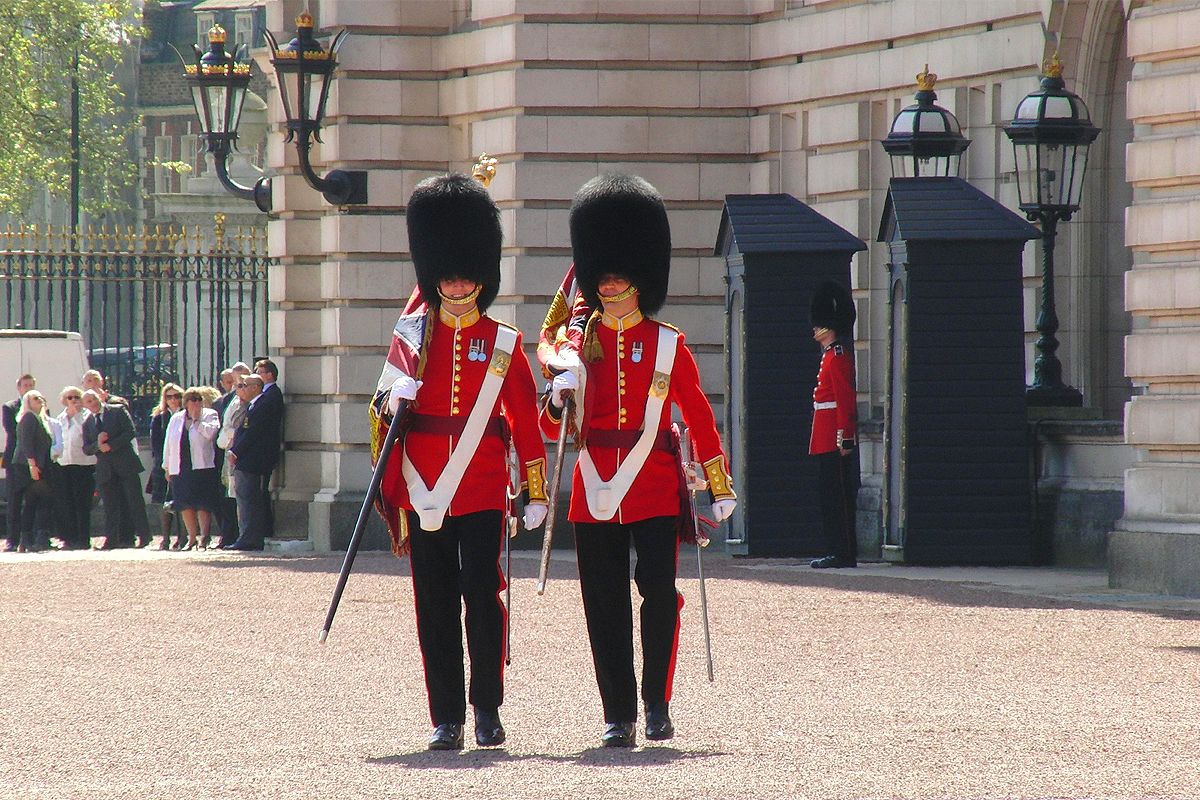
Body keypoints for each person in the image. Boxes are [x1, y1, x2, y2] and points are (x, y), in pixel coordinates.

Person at [540, 173, 737, 748]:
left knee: (656, 593)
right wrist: (558, 391)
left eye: (621, 271)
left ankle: (656, 702)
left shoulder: (666, 342)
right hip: (594, 481)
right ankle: (618, 712)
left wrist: (719, 483)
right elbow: (552, 426)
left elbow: (697, 415)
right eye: (603, 271)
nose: (611, 280)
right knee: (603, 604)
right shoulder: (575, 343)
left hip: (650, 483)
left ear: (640, 276)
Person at [370, 173, 548, 751]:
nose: (455, 281)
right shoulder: (413, 339)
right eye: (445, 271)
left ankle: (487, 708)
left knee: (481, 597)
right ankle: (445, 716)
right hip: (425, 487)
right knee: (435, 606)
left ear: (483, 274)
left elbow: (523, 420)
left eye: (465, 271)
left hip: (480, 487)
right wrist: (392, 398)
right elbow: (383, 406)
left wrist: (538, 490)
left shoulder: (502, 341)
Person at [807, 280, 860, 569]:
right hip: (824, 436)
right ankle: (835, 550)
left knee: (838, 498)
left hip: (834, 438)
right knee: (829, 498)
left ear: (830, 326)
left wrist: (845, 438)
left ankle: (844, 552)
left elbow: (845, 400)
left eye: (820, 323)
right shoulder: (829, 355)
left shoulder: (838, 356)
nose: (815, 328)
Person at [82, 389, 150, 549]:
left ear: (99, 397)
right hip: (106, 469)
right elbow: (86, 448)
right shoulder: (88, 423)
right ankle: (111, 540)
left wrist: (111, 445)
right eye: (88, 401)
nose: (92, 403)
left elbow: (130, 432)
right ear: (85, 405)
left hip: (125, 464)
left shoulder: (117, 410)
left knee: (135, 502)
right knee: (110, 506)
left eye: (93, 399)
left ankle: (144, 536)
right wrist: (98, 445)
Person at [163, 387, 222, 550]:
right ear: (186, 402)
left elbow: (211, 434)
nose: (196, 402)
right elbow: (168, 443)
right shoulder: (176, 418)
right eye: (192, 399)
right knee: (185, 504)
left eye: (198, 399)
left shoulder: (210, 415)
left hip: (202, 466)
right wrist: (166, 466)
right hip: (181, 466)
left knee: (203, 503)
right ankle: (191, 538)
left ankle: (204, 536)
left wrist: (198, 421)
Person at [224, 374, 277, 551]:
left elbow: (252, 433)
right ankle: (247, 536)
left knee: (248, 501)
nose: (242, 388)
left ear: (255, 387)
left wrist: (235, 452)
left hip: (251, 461)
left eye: (245, 385)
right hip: (248, 460)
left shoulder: (262, 405)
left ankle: (249, 538)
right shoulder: (254, 405)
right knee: (246, 500)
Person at [54, 386, 98, 550]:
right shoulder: (60, 418)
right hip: (64, 464)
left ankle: (83, 538)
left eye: (76, 397)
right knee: (67, 502)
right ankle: (69, 538)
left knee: (82, 503)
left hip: (83, 465)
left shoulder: (86, 417)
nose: (73, 400)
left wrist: (76, 415)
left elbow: (86, 435)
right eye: (69, 398)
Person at [12, 390, 55, 552]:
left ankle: (27, 539)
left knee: (31, 502)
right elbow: (27, 443)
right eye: (35, 398)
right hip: (28, 465)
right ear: (28, 402)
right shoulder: (29, 417)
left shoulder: (40, 419)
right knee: (45, 498)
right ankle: (40, 537)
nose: (40, 401)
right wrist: (32, 465)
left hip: (34, 464)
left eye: (41, 398)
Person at [214, 362, 250, 547]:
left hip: (237, 451)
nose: (237, 386)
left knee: (242, 497)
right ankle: (230, 535)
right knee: (230, 497)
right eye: (236, 383)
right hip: (228, 450)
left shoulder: (247, 402)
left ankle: (240, 535)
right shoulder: (229, 400)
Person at [2, 374, 36, 551]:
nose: (28, 388)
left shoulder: (40, 405)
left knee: (35, 499)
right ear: (19, 388)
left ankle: (32, 537)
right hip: (15, 460)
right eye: (25, 385)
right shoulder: (9, 407)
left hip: (36, 461)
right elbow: (13, 431)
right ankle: (12, 539)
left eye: (31, 385)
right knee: (14, 502)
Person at [149, 383, 185, 549]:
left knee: (182, 501)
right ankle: (165, 537)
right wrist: (165, 465)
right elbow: (156, 443)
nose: (173, 400)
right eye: (169, 397)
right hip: (163, 464)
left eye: (176, 396)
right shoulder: (159, 417)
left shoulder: (186, 415)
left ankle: (182, 536)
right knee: (163, 502)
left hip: (182, 463)